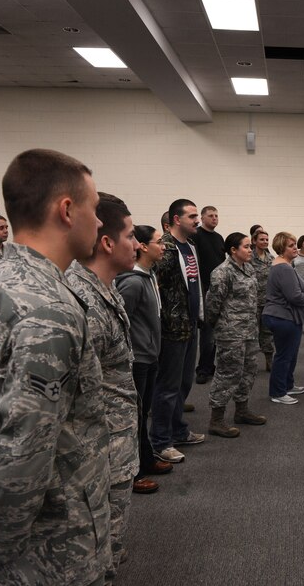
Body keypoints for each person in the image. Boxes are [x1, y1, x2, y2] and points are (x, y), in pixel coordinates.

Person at [0, 149, 110, 585]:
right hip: (47, 545)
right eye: (94, 209)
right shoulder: (47, 311)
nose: (101, 222)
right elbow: (25, 451)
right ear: (67, 210)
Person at [66, 192, 139, 584]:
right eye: (130, 235)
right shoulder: (83, 302)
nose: (138, 244)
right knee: (96, 554)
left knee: (109, 543)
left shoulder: (105, 289)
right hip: (98, 450)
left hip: (116, 440)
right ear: (108, 243)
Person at [116, 225, 173, 493]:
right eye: (159, 242)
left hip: (150, 355)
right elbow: (120, 321)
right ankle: (133, 471)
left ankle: (146, 459)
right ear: (143, 246)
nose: (164, 247)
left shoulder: (149, 276)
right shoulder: (132, 281)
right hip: (138, 358)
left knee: (143, 414)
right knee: (134, 416)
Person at [151, 199, 206, 465]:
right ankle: (161, 441)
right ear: (176, 219)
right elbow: (155, 285)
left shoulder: (190, 246)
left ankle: (178, 430)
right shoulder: (166, 248)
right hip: (172, 329)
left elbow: (194, 285)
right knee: (168, 387)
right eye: (192, 216)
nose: (197, 220)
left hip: (191, 324)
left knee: (184, 383)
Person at [205, 232, 267, 435]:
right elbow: (212, 305)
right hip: (230, 333)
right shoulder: (221, 273)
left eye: (250, 246)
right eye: (246, 247)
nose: (251, 250)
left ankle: (241, 410)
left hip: (249, 330)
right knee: (227, 373)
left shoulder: (248, 268)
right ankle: (216, 419)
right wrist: (221, 326)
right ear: (233, 250)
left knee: (249, 370)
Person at [263, 232, 304, 404]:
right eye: (290, 245)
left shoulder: (284, 266)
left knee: (290, 354)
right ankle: (278, 393)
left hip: (285, 316)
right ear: (281, 248)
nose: (295, 247)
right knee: (284, 356)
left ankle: (287, 385)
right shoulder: (283, 268)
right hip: (282, 317)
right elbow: (295, 296)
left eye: (295, 244)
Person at [194, 206, 226, 385]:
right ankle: (203, 369)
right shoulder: (196, 236)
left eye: (216, 215)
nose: (214, 218)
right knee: (207, 333)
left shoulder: (219, 237)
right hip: (204, 288)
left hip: (218, 288)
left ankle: (211, 365)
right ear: (202, 217)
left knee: (216, 331)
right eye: (210, 216)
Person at [251, 229, 275, 371]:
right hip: (252, 302)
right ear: (254, 241)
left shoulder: (271, 259)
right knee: (252, 333)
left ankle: (269, 360)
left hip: (267, 302)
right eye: (262, 239)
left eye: (266, 239)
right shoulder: (248, 258)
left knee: (267, 333)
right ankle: (250, 362)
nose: (265, 242)